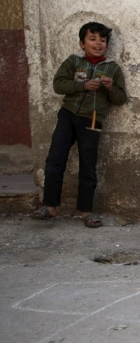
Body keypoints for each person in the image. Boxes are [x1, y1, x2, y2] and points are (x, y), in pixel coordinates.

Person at [31, 22, 128, 228]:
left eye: (102, 40)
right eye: (92, 39)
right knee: (55, 160)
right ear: (82, 43)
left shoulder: (112, 68)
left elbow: (120, 98)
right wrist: (81, 86)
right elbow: (58, 84)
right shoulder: (73, 62)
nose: (98, 43)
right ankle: (51, 206)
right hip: (68, 116)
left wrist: (110, 89)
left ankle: (86, 211)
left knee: (88, 165)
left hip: (92, 119)